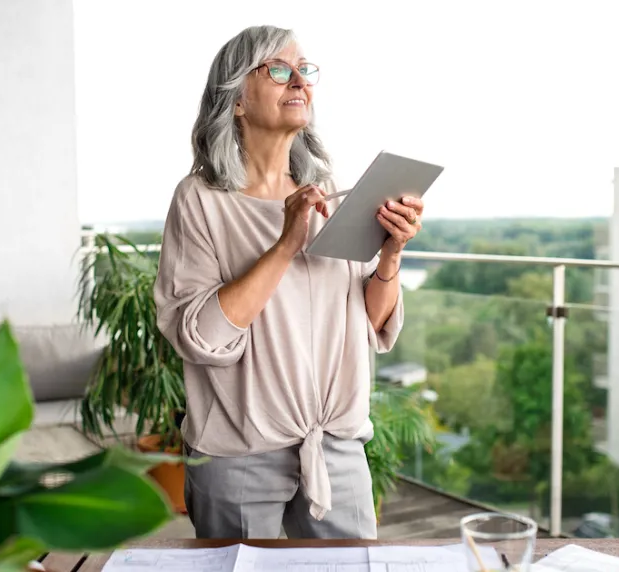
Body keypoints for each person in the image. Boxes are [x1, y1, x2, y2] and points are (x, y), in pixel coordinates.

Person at [153, 25, 424, 540]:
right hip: (238, 456)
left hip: (337, 450)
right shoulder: (201, 200)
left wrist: (390, 254)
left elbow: (366, 323)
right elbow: (201, 336)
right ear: (234, 99)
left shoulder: (331, 198)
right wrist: (283, 245)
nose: (299, 80)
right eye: (278, 70)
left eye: (305, 70)